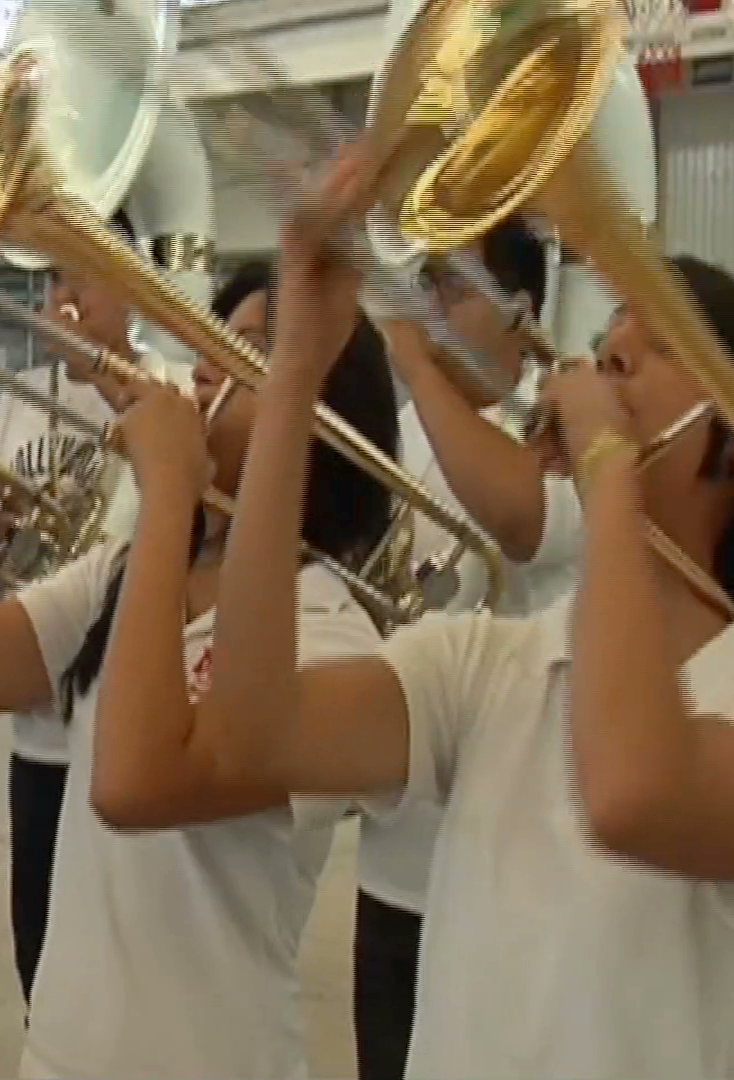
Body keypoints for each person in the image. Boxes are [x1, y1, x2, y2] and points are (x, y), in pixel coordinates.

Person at [199, 145, 734, 1079]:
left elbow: (633, 791)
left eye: (654, 349)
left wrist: (605, 469)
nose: (608, 355)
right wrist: (293, 374)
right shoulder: (491, 666)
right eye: (610, 336)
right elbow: (251, 730)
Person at [0, 263, 400, 1078]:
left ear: (321, 414)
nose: (201, 364)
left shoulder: (335, 637)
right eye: (212, 340)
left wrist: (166, 497)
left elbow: (135, 785)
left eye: (250, 349)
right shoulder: (130, 574)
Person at [356, 216, 585, 1080]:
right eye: (429, 286)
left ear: (519, 311)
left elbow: (519, 520)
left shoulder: (571, 437)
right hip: (391, 855)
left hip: (511, 862)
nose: (429, 305)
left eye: (451, 287)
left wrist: (412, 359)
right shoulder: (404, 430)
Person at [0, 209, 165, 1006]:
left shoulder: (163, 394)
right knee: (35, 956)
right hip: (35, 734)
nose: (71, 295)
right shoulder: (22, 395)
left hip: (117, 732)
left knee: (118, 972)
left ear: (131, 287)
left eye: (91, 276)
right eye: (60, 276)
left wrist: (102, 375)